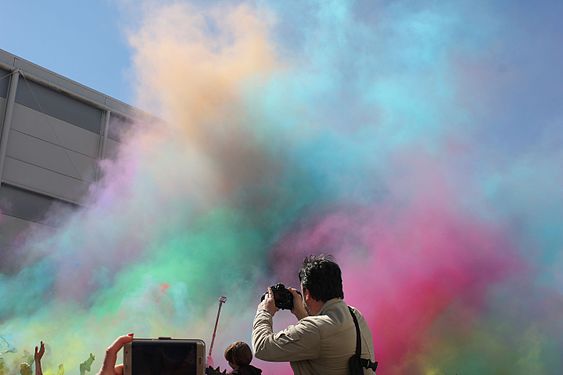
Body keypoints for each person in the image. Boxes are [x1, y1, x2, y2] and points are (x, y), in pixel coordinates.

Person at [252, 255, 376, 375]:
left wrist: (264, 311)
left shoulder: (316, 331)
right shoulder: (355, 314)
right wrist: (301, 313)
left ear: (306, 293)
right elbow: (323, 340)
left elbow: (262, 347)